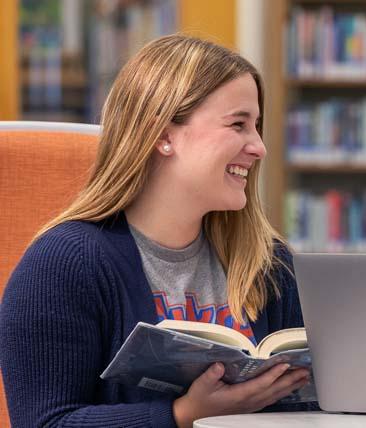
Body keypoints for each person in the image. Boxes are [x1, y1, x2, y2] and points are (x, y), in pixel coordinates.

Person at [0, 35, 312, 428]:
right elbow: (44, 423)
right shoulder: (64, 264)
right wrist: (183, 415)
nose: (259, 147)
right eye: (238, 124)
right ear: (163, 135)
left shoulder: (269, 263)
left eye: (258, 126)